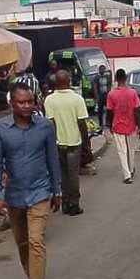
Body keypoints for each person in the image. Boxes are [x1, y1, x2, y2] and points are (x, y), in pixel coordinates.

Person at [0, 83, 61, 279]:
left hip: (40, 191)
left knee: (36, 241)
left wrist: (57, 190)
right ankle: (32, 277)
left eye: (30, 101)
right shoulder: (0, 129)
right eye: (22, 102)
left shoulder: (45, 126)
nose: (28, 106)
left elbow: (53, 158)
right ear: (12, 104)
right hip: (15, 195)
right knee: (22, 242)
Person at [44, 70, 90, 216]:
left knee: (62, 174)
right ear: (69, 81)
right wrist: (86, 143)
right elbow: (82, 123)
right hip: (74, 143)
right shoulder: (77, 99)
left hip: (58, 144)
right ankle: (74, 205)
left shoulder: (49, 100)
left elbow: (50, 123)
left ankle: (65, 203)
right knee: (73, 175)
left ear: (56, 83)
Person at [106, 68, 140, 184]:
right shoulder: (132, 92)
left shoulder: (111, 94)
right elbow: (137, 111)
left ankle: (127, 176)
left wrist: (109, 126)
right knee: (131, 149)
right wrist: (139, 127)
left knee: (122, 151)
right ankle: (131, 169)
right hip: (131, 125)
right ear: (126, 78)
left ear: (115, 79)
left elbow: (109, 111)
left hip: (117, 125)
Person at [93, 64, 112, 128]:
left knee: (109, 110)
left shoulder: (107, 77)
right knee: (100, 111)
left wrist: (110, 95)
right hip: (100, 96)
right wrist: (97, 96)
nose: (102, 70)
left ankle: (108, 122)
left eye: (103, 69)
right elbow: (95, 87)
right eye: (101, 69)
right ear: (99, 70)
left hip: (106, 96)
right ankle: (101, 124)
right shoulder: (96, 77)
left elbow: (109, 86)